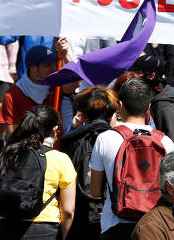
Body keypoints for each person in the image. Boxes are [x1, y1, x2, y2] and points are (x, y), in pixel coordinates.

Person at [89, 78, 174, 239]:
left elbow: (94, 191)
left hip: (114, 226)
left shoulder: (105, 138)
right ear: (148, 108)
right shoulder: (165, 142)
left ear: (120, 105)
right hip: (155, 227)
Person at [0, 105, 76, 240]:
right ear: (55, 129)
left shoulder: (7, 154)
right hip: (44, 230)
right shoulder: (60, 159)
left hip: (5, 229)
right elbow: (68, 211)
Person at [60, 86, 118, 240]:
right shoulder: (119, 140)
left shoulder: (70, 141)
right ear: (112, 114)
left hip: (79, 214)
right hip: (111, 214)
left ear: (83, 115)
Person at [0, 46, 58, 143]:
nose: (54, 68)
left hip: (58, 150)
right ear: (33, 68)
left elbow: (76, 82)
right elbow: (12, 137)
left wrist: (66, 54)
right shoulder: (12, 95)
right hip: (28, 151)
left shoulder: (58, 85)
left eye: (54, 63)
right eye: (48, 65)